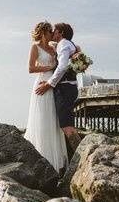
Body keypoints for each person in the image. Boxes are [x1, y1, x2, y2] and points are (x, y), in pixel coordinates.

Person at [24, 21, 68, 172]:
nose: (52, 34)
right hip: (42, 83)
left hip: (53, 85)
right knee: (42, 120)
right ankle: (42, 161)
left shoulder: (54, 47)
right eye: (50, 32)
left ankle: (57, 164)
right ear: (43, 33)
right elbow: (30, 68)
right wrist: (49, 67)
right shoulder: (35, 47)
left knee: (53, 119)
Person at [35, 22, 81, 151]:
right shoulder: (68, 44)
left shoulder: (63, 45)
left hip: (64, 89)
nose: (53, 32)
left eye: (55, 31)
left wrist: (49, 84)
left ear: (61, 33)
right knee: (68, 123)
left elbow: (62, 67)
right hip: (70, 87)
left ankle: (83, 156)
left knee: (66, 126)